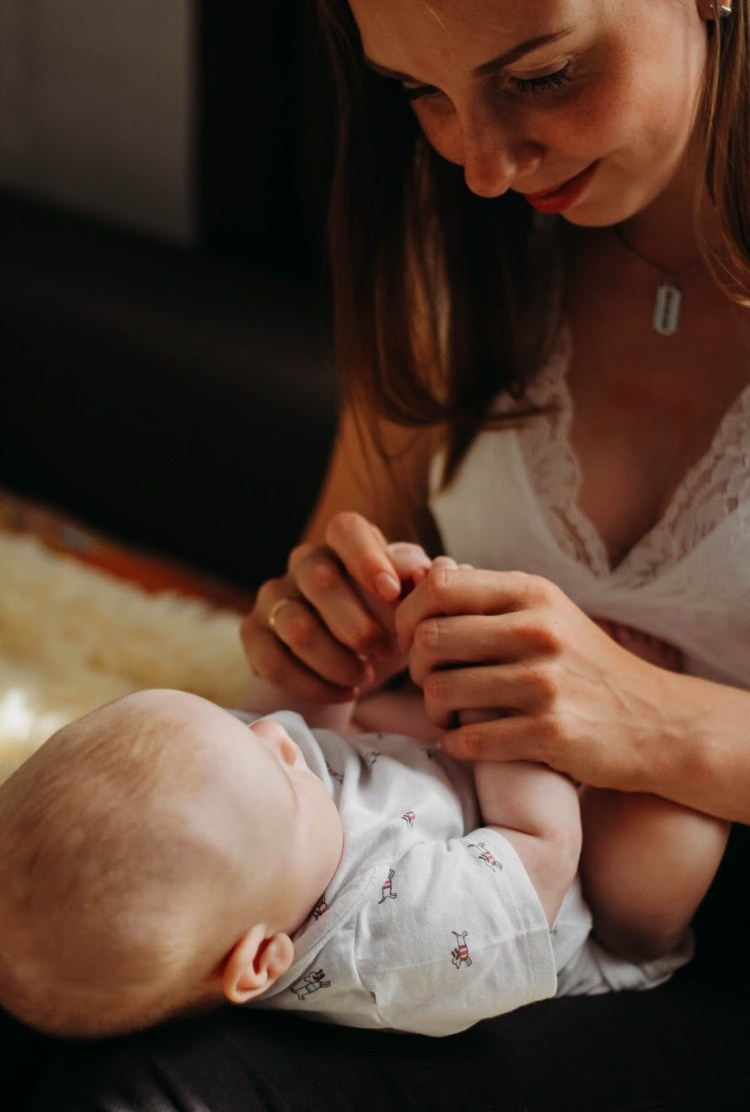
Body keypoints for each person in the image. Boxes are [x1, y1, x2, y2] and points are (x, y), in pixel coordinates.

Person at [13, 0, 750, 1108]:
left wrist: (651, 721)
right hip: (405, 869)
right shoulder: (459, 238)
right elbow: (322, 622)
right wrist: (316, 627)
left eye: (543, 75)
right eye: (422, 93)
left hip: (687, 953)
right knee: (61, 961)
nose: (484, 167)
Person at [0, 668, 713, 1041]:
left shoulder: (262, 848)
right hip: (582, 901)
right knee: (669, 821)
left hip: (442, 777)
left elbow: (290, 723)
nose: (276, 739)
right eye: (281, 777)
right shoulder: (389, 948)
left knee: (377, 707)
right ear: (262, 958)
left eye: (236, 728)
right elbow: (542, 853)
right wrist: (498, 718)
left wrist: (335, 669)